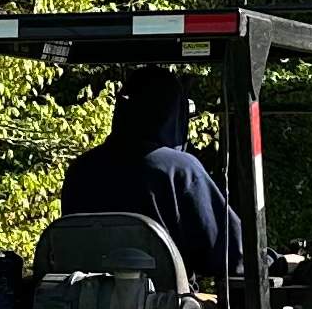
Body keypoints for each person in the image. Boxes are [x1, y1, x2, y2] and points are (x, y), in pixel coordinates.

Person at [61, 68, 239, 290]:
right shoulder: (180, 170)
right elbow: (229, 256)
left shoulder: (80, 170)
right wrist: (277, 261)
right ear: (174, 114)